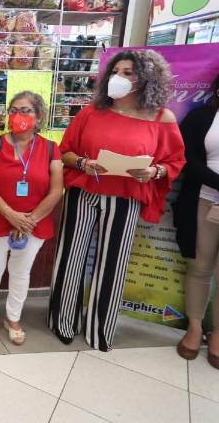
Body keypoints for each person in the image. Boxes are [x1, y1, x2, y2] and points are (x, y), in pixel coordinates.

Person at [48, 50, 186, 351]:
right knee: (70, 256)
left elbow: (175, 161)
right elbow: (65, 151)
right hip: (84, 191)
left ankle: (100, 329)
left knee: (113, 263)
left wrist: (154, 171)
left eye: (127, 73)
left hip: (125, 197)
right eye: (115, 71)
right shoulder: (91, 112)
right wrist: (83, 163)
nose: (118, 77)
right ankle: (63, 320)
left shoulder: (161, 118)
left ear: (145, 79)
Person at [0, 91, 63, 345]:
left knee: (21, 272)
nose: (18, 115)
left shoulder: (51, 148)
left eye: (25, 110)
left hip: (34, 223)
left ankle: (13, 318)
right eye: (13, 110)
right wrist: (10, 214)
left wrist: (28, 221)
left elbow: (56, 190)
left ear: (39, 116)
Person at [173, 72, 219, 369]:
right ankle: (194, 327)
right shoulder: (201, 117)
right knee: (200, 266)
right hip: (203, 200)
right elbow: (187, 158)